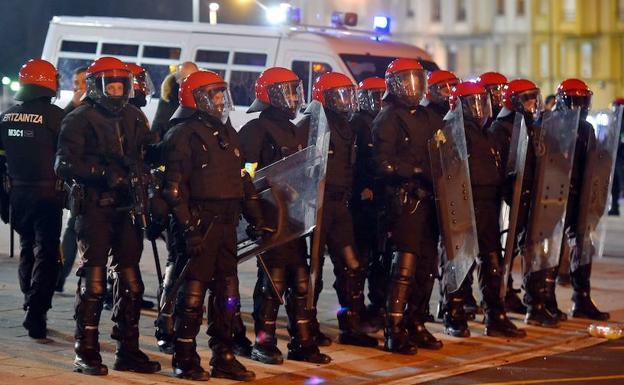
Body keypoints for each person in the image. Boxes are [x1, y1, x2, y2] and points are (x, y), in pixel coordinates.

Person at [55, 56, 161, 375]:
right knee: (95, 282)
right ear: (97, 87)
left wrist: (157, 161)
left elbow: (148, 150)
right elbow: (62, 164)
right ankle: (85, 349)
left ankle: (127, 349)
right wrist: (102, 173)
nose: (116, 91)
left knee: (132, 283)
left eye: (120, 85)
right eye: (110, 86)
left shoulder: (134, 115)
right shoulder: (78, 118)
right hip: (95, 207)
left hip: (128, 207)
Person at [161, 70, 266, 381]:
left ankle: (224, 355)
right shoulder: (182, 134)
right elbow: (173, 189)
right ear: (197, 99)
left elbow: (241, 179)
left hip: (227, 223)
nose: (221, 100)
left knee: (228, 294)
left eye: (222, 94)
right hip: (199, 224)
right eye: (215, 95)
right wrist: (188, 229)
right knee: (192, 296)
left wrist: (256, 216)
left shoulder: (227, 132)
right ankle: (185, 357)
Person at [238, 66, 331, 365]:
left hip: (295, 219)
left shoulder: (296, 128)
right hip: (270, 219)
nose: (293, 98)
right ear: (270, 96)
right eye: (287, 92)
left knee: (301, 283)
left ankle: (302, 342)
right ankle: (263, 344)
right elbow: (246, 174)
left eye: (295, 91)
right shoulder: (255, 129)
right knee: (272, 285)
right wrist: (255, 212)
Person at [297, 72, 378, 349]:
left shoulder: (348, 126)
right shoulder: (311, 123)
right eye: (340, 95)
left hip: (339, 206)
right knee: (313, 271)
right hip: (316, 205)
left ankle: (351, 325)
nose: (346, 101)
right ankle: (307, 326)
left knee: (352, 266)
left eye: (348, 94)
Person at [372, 58, 443, 354]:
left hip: (430, 201)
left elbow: (444, 148)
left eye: (417, 80)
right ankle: (394, 329)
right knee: (404, 268)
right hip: (404, 201)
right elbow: (382, 163)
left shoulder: (429, 117)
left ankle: (416, 322)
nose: (413, 87)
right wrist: (414, 171)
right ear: (394, 85)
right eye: (407, 81)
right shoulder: (387, 117)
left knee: (427, 266)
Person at [447, 81, 526, 338]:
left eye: (481, 102)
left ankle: (495, 314)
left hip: (488, 203)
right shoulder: (451, 130)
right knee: (460, 262)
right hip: (463, 202)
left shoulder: (488, 133)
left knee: (491, 261)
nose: (479, 109)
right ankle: (455, 314)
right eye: (472, 104)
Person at [0, 59, 65, 339]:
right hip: (47, 195)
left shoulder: (6, 117)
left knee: (28, 246)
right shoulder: (58, 117)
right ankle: (36, 312)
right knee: (48, 253)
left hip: (17, 194)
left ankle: (29, 298)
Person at [490, 78, 560, 328]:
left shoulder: (536, 125)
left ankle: (536, 303)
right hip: (511, 198)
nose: (532, 102)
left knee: (535, 250)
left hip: (535, 196)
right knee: (507, 251)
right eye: (526, 98)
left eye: (534, 97)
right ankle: (500, 302)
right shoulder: (501, 128)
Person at [556, 79, 610, 321]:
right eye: (574, 101)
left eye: (583, 101)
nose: (579, 107)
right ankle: (541, 299)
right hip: (555, 193)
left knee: (583, 246)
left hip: (581, 193)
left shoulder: (587, 129)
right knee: (546, 247)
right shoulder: (552, 124)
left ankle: (582, 297)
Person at [477, 72, 527, 315]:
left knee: (505, 247)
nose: (497, 95)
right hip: (485, 195)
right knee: (488, 250)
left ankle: (504, 289)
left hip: (503, 192)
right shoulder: (489, 123)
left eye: (501, 90)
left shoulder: (507, 119)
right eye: (492, 90)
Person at [350, 76, 388, 331]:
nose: (376, 101)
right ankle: (356, 311)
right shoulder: (357, 124)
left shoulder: (385, 121)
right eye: (372, 96)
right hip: (362, 201)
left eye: (379, 96)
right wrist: (360, 189)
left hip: (381, 198)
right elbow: (354, 163)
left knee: (380, 258)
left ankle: (378, 306)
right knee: (360, 259)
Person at [55, 66, 87, 293]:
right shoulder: (72, 108)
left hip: (94, 178)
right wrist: (72, 105)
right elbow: (58, 129)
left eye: (83, 82)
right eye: (76, 82)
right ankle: (59, 277)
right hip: (76, 179)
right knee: (72, 227)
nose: (78, 87)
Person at [151, 61, 199, 141]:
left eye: (193, 78)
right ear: (178, 80)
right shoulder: (169, 97)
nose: (190, 82)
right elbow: (158, 126)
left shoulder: (202, 96)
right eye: (185, 79)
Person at [608, 97, 624, 216]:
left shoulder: (620, 120)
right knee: (615, 182)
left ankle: (615, 206)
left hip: (620, 154)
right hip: (616, 154)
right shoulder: (615, 120)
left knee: (618, 180)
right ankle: (614, 206)